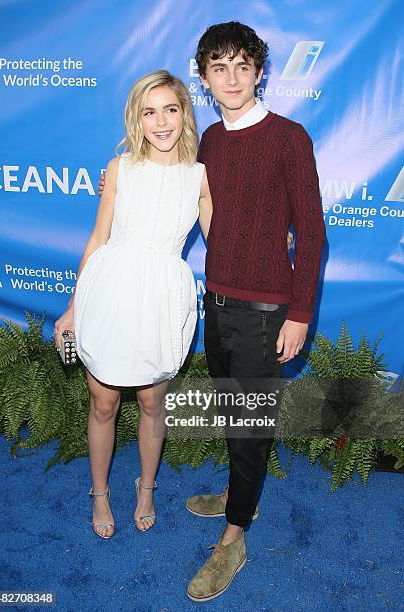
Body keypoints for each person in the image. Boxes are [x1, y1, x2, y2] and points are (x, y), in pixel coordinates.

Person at [183, 22, 326, 601]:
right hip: (216, 299)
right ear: (205, 77)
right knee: (232, 414)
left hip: (268, 311)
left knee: (249, 426)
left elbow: (312, 233)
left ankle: (234, 536)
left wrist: (299, 313)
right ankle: (241, 492)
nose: (232, 78)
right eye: (220, 68)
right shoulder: (211, 141)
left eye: (243, 66)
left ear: (261, 72)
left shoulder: (289, 137)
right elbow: (206, 209)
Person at [54, 70, 212, 539]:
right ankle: (99, 492)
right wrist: (73, 307)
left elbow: (226, 243)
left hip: (163, 297)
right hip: (111, 290)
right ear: (136, 118)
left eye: (170, 109)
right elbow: (99, 236)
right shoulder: (120, 168)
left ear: (184, 113)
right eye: (150, 111)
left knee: (151, 402)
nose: (161, 121)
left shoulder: (201, 176)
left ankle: (146, 488)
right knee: (103, 403)